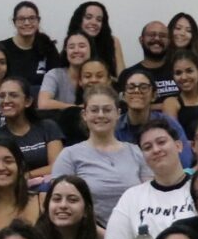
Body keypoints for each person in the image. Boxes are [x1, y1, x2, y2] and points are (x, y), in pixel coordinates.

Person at [102, 116, 195, 239]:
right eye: (147, 147)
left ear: (178, 146)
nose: (156, 150)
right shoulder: (132, 197)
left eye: (161, 142)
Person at [51, 88, 145, 225]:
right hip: (88, 235)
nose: (100, 115)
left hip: (136, 229)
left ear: (118, 113)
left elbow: (149, 197)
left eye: (107, 110)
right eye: (94, 110)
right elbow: (60, 204)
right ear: (84, 114)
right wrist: (105, 235)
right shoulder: (69, 155)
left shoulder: (136, 151)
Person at [0, 78, 59, 183]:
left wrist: (27, 176)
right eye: (2, 96)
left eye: (13, 95)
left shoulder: (47, 127)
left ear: (28, 102)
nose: (6, 101)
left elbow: (57, 166)